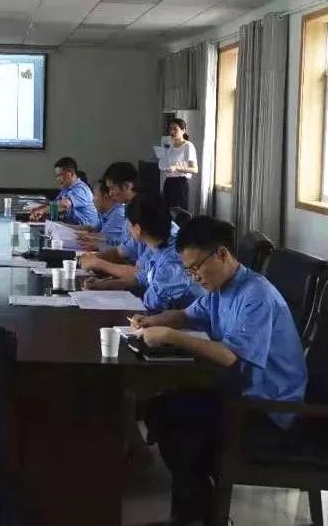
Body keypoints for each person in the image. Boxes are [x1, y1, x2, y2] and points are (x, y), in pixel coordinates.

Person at [129, 216, 307, 525]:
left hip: (267, 409)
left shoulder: (256, 296)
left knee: (180, 424)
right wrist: (151, 321)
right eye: (189, 271)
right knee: (161, 409)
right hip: (238, 392)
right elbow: (186, 315)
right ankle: (198, 511)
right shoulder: (221, 287)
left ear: (222, 254)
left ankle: (198, 514)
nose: (195, 277)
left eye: (197, 267)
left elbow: (228, 356)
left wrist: (170, 336)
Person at [84, 193, 201, 313]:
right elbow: (140, 278)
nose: (128, 230)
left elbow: (153, 305)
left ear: (138, 229)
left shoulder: (173, 259)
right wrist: (105, 285)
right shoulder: (155, 246)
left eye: (129, 225)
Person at [30, 157, 99, 227]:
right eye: (57, 176)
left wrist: (43, 210)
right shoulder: (66, 188)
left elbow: (64, 205)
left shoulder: (81, 189)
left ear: (71, 173)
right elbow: (56, 203)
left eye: (60, 175)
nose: (58, 179)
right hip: (74, 227)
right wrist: (40, 208)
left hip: (88, 230)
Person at [76, 180, 127, 249]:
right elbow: (92, 229)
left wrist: (92, 238)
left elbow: (106, 240)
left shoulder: (118, 214)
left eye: (94, 195)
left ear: (105, 197)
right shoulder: (107, 213)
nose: (92, 200)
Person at [161, 118, 197, 211]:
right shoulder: (168, 144)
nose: (172, 132)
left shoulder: (188, 146)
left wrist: (177, 168)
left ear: (183, 131)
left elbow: (194, 169)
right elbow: (164, 162)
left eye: (175, 129)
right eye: (170, 129)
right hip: (168, 182)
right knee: (166, 211)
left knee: (179, 212)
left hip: (180, 183)